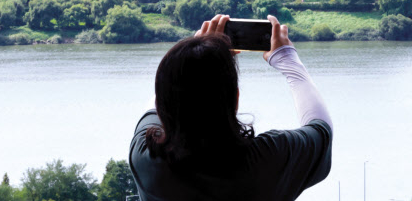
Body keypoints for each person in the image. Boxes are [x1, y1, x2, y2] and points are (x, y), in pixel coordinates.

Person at [129, 14, 333, 200]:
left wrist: (193, 54)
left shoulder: (147, 160)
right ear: (235, 100)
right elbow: (322, 128)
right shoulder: (266, 161)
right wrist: (287, 59)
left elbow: (163, 98)